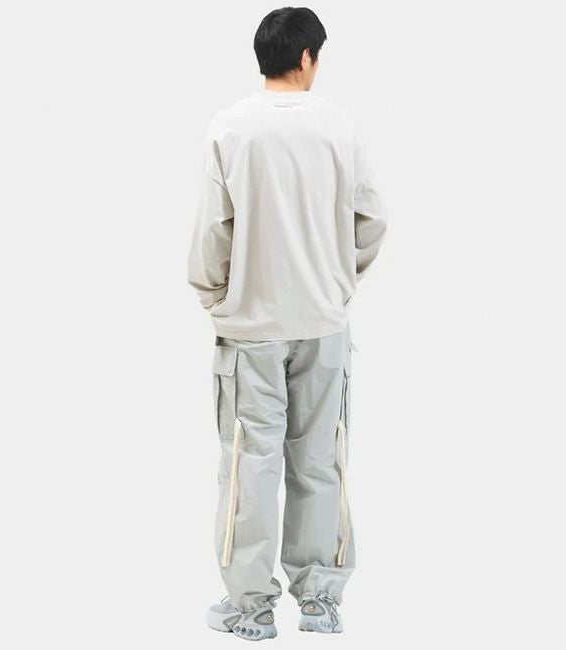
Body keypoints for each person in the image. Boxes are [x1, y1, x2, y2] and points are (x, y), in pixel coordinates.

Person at [188, 6, 388, 641]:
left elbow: (212, 233)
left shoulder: (230, 128)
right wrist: (337, 282)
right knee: (321, 461)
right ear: (306, 57)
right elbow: (371, 221)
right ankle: (320, 600)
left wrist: (217, 296)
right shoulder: (339, 126)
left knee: (250, 464)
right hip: (323, 327)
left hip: (250, 330)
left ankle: (251, 608)